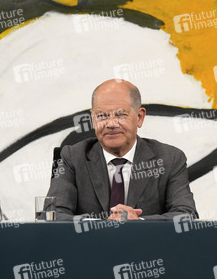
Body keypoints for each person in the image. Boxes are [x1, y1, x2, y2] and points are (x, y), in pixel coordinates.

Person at [47, 79, 198, 221]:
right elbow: (51, 215)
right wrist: (99, 224)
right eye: (102, 116)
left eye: (121, 115)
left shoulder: (170, 159)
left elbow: (186, 214)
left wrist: (138, 221)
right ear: (93, 120)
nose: (111, 123)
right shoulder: (71, 157)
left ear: (139, 117)